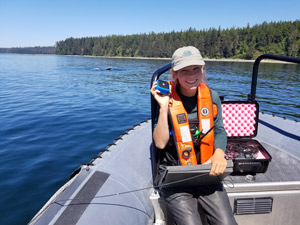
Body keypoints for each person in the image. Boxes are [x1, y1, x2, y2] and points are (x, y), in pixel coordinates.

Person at [150, 46, 237, 225]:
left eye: (196, 69)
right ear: (175, 74)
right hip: (176, 175)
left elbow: (219, 129)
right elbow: (160, 143)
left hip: (205, 172)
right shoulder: (167, 97)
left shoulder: (211, 97)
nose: (191, 76)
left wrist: (219, 153)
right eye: (184, 71)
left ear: (202, 69)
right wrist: (164, 106)